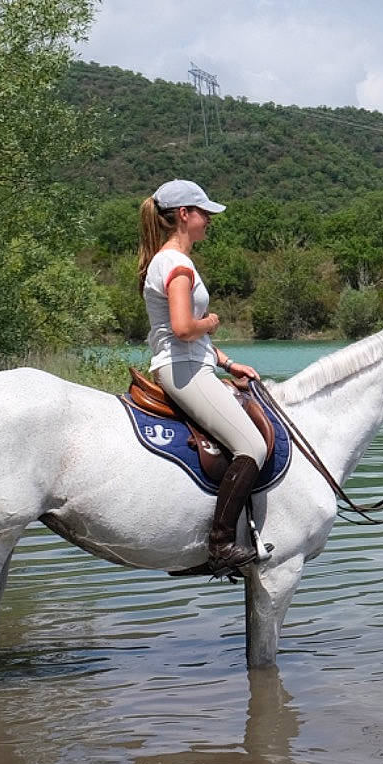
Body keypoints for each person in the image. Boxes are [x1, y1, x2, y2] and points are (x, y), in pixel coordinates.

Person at [138, 179, 266, 573]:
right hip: (184, 370)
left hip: (193, 363)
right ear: (183, 215)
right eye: (203, 213)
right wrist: (208, 322)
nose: (209, 220)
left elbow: (184, 338)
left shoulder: (170, 260)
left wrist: (227, 362)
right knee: (253, 446)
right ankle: (221, 545)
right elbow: (181, 328)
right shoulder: (176, 264)